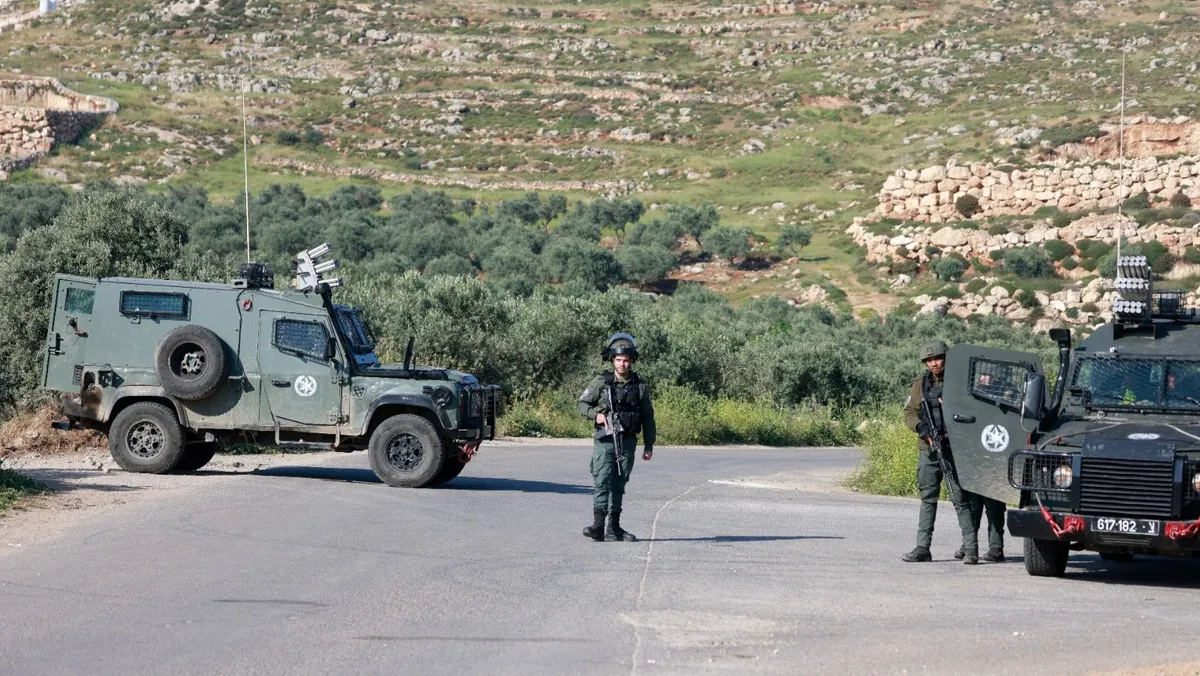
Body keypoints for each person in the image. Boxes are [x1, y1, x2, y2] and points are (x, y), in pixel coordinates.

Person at [902, 340, 983, 565]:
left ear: (947, 358)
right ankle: (922, 547)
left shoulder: (960, 382)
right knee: (928, 498)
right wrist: (920, 427)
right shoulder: (920, 384)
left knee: (960, 498)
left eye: (937, 358)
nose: (934, 364)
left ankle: (971, 548)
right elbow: (909, 413)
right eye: (929, 360)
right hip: (928, 449)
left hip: (954, 448)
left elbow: (974, 412)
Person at [577, 332, 656, 542]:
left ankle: (614, 528)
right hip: (605, 440)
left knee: (619, 483)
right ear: (612, 360)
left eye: (626, 360)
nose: (622, 364)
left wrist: (649, 445)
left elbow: (648, 417)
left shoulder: (639, 386)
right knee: (602, 480)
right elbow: (582, 404)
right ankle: (598, 526)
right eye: (619, 360)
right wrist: (596, 415)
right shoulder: (601, 382)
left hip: (628, 441)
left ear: (632, 361)